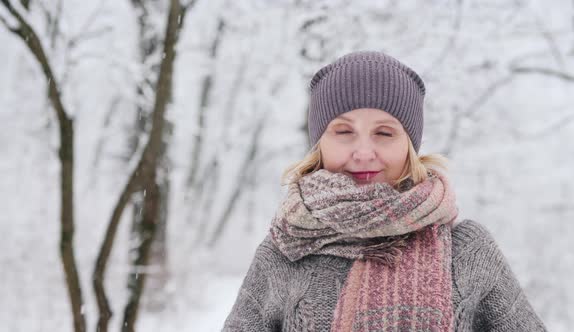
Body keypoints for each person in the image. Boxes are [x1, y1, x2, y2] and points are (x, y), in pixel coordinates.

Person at [222, 51, 546, 331]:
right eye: (344, 131)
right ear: (319, 143)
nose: (364, 152)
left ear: (410, 147)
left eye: (385, 133)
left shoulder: (467, 251)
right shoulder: (285, 249)